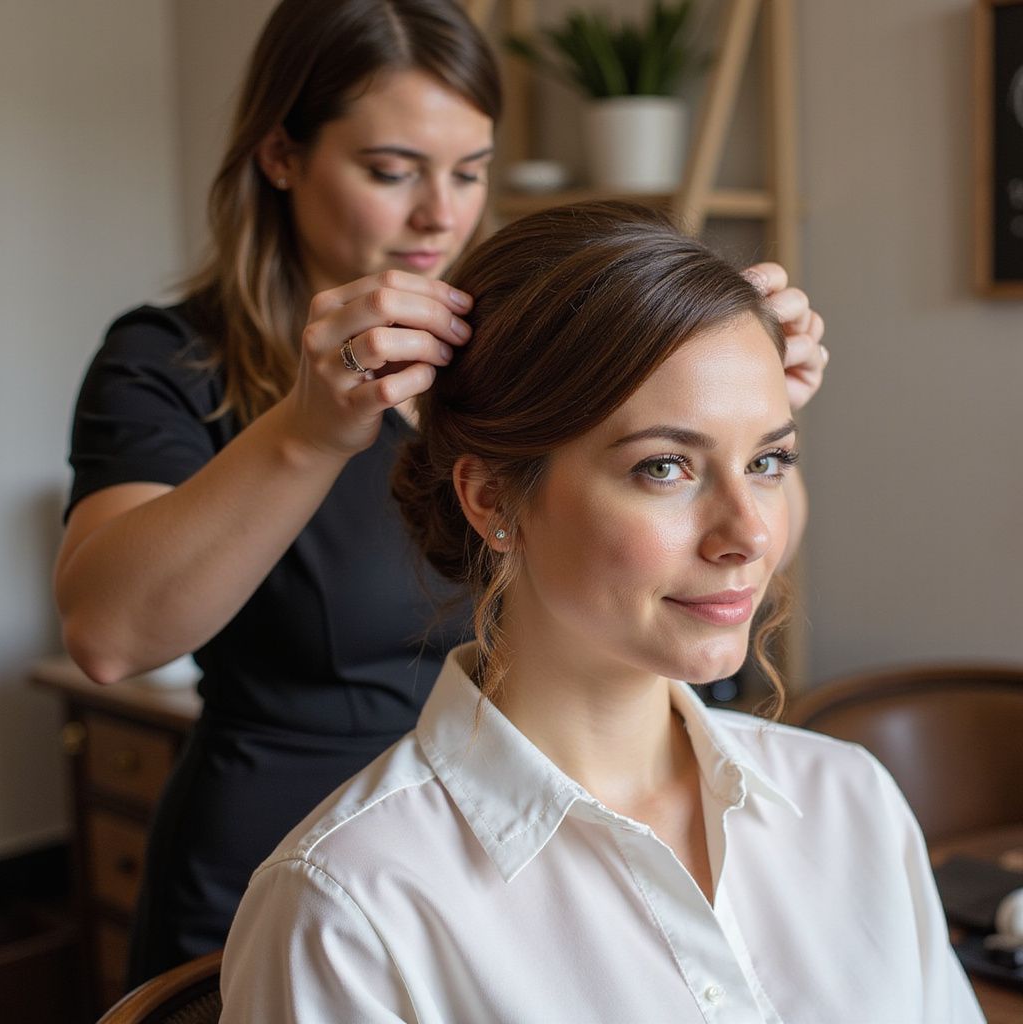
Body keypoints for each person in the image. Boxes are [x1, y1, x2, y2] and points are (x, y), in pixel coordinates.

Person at [53, 0, 827, 986]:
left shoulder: (504, 355)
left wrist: (751, 420)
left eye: (469, 172)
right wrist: (302, 435)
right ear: (281, 154)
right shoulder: (171, 364)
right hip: (312, 870)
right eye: (392, 171)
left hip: (557, 854)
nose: (440, 214)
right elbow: (108, 635)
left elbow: (735, 550)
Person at [219, 202, 981, 1024]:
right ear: (491, 497)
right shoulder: (354, 909)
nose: (750, 534)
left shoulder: (849, 803)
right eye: (664, 467)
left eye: (767, 459)